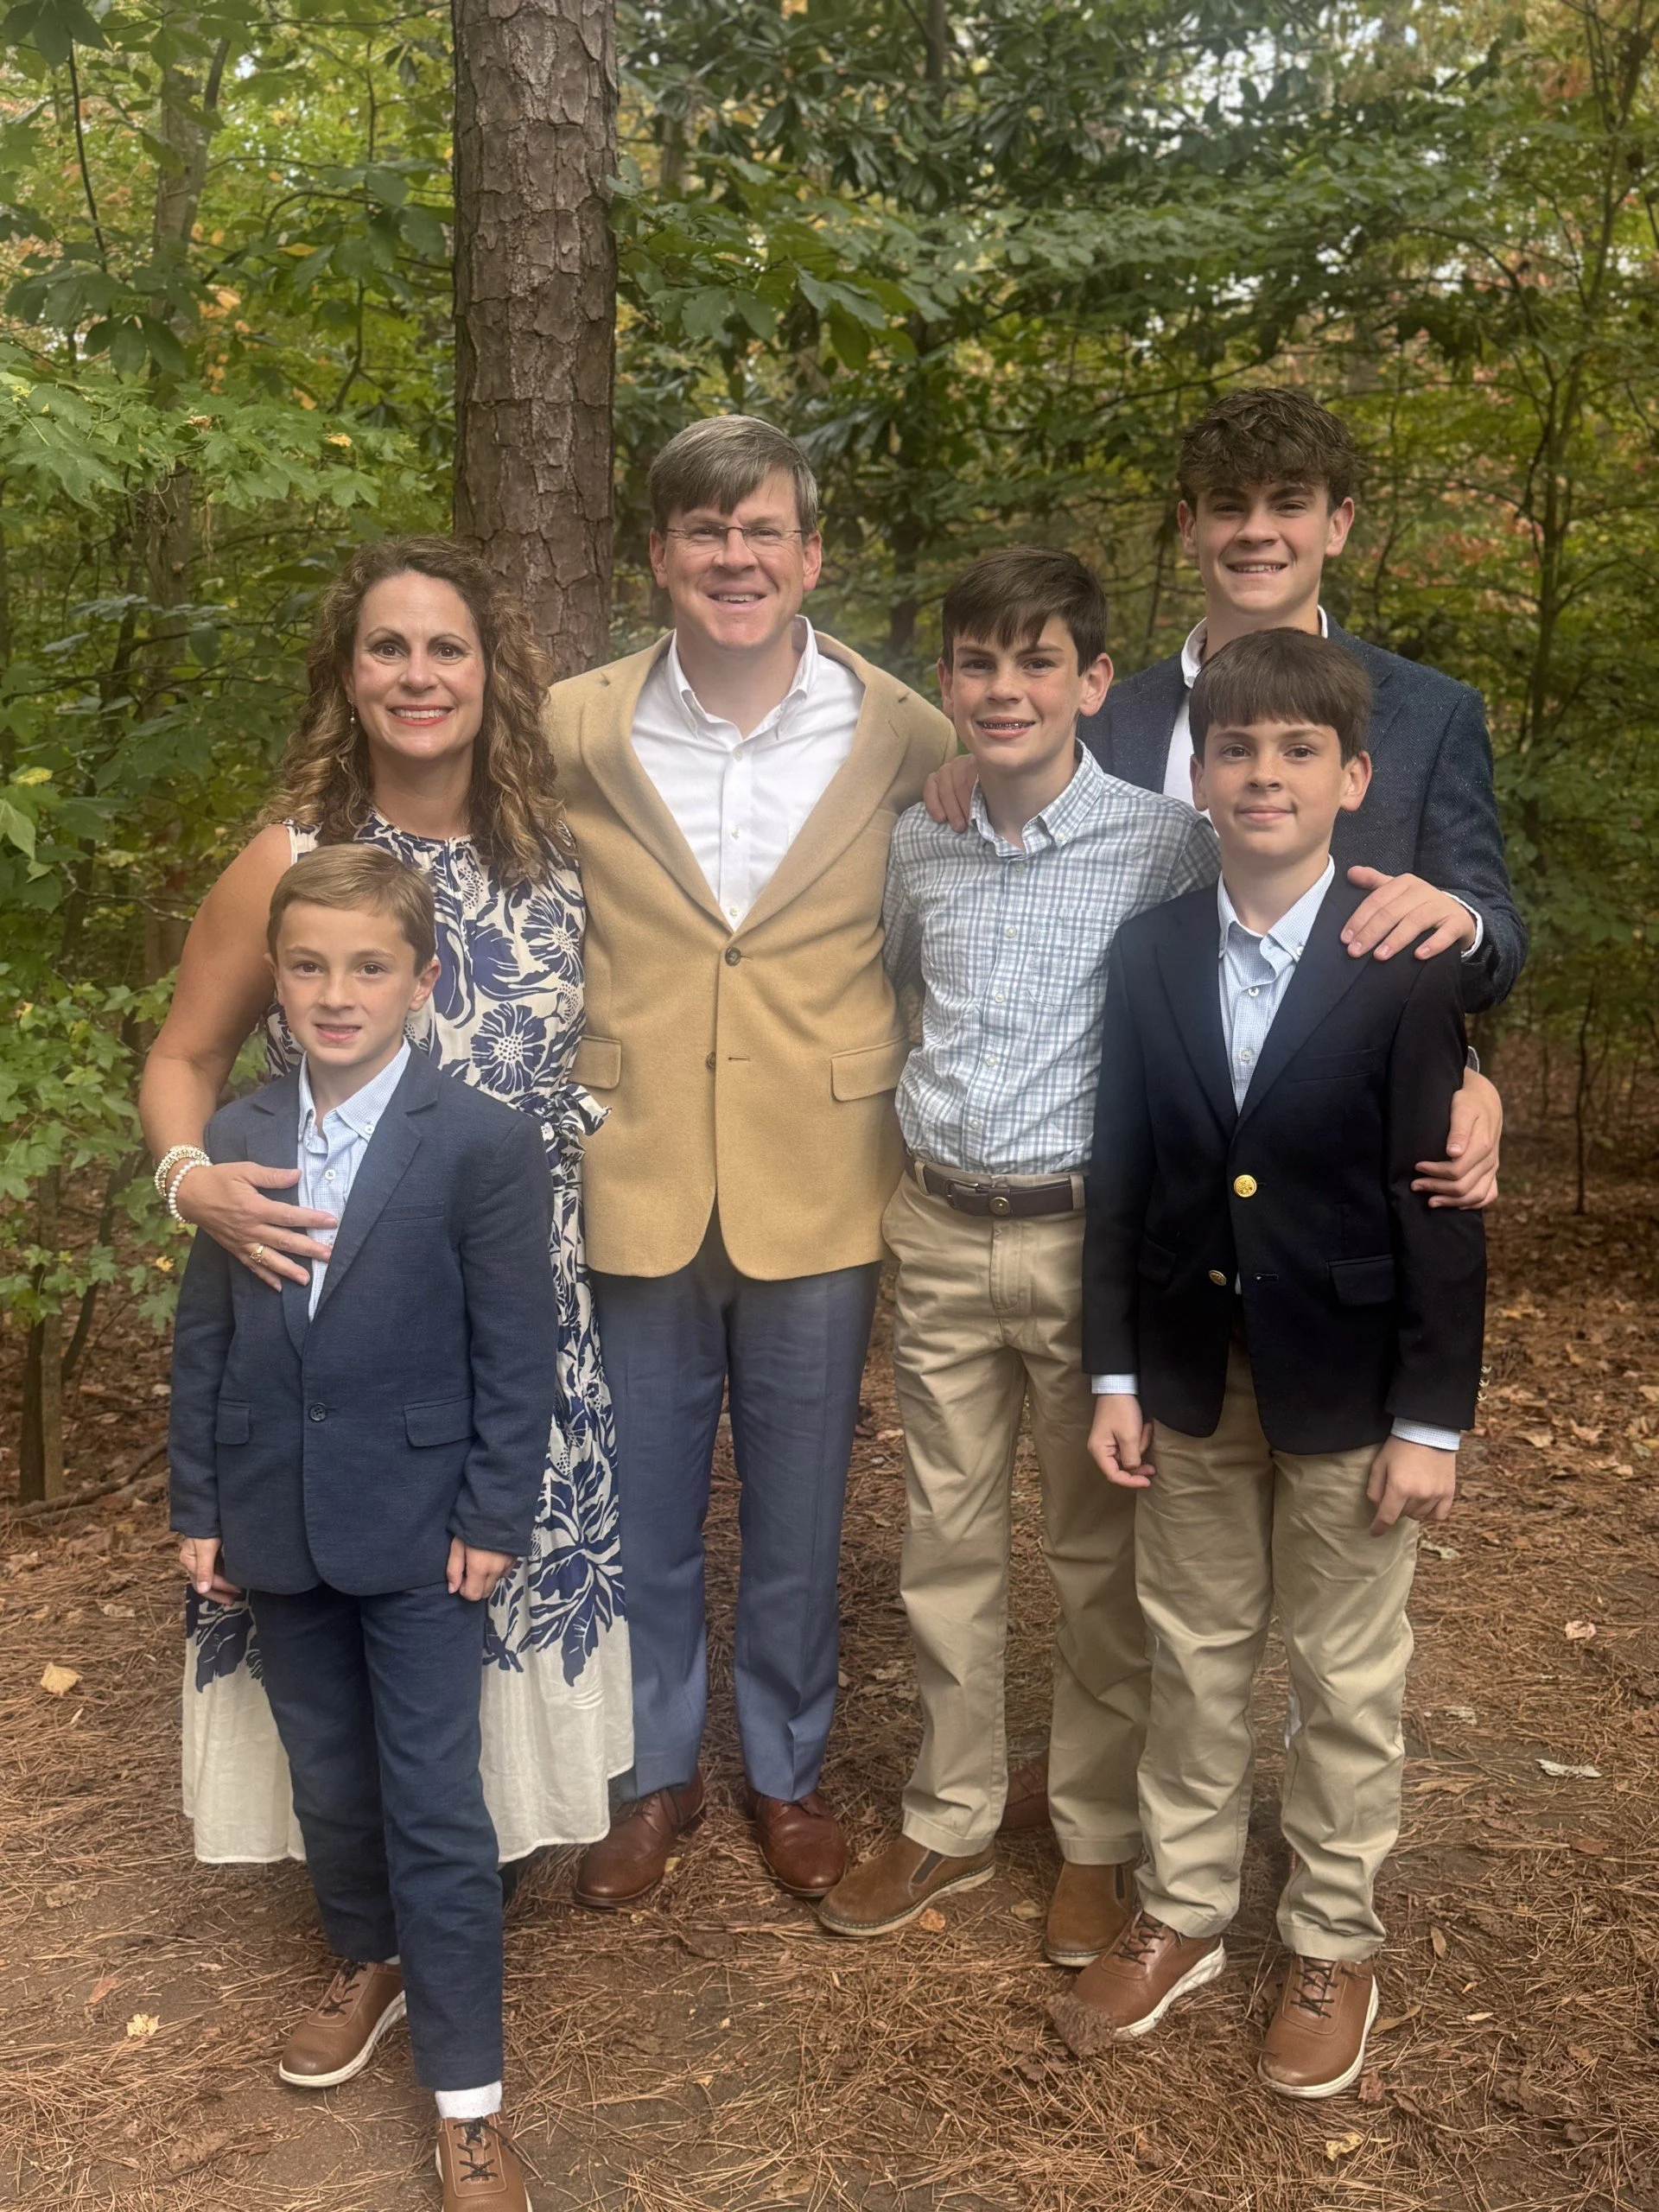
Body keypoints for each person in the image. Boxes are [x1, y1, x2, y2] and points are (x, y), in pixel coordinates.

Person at [924, 385, 1514, 1838]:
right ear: (1187, 527)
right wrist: (971, 765)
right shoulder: (1100, 707)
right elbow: (1027, 827)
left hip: (1336, 1207)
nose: (1259, 534)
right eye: (1231, 509)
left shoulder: (1425, 715)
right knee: (1144, 1560)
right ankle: (1123, 1811)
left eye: (1290, 507)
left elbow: (1490, 922)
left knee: (1290, 1614)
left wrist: (1472, 1027)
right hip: (1142, 1190)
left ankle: (1237, 1855)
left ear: (1337, 526)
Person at [141, 537, 630, 1866]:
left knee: (481, 1580)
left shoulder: (558, 855)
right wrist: (194, 1185)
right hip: (331, 1317)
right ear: (346, 674)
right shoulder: (293, 859)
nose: (419, 675)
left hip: (515, 1305)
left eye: (446, 648)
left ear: (492, 671)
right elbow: (184, 1058)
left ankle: (476, 1874)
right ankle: (365, 1911)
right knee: (337, 1621)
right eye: (388, 648)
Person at [1050, 628, 1485, 2098]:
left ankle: (1333, 1934)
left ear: (1353, 778)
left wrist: (1431, 1415)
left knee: (1347, 1672)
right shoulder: (1154, 949)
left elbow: (1442, 1206)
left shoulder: (1402, 963)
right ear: (1199, 774)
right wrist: (1114, 1372)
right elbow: (1124, 1171)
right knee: (1193, 1650)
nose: (1265, 774)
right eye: (1236, 750)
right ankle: (1181, 1910)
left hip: (1354, 1384)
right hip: (1187, 1372)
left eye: (1299, 752)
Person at [545, 416, 956, 1909]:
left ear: (811, 555)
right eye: (705, 533)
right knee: (642, 1513)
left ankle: (786, 1772)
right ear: (659, 555)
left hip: (823, 1171)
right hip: (633, 1159)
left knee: (797, 1516)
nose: (735, 558)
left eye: (763, 531)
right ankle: (655, 1776)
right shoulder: (573, 724)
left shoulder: (906, 732)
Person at [817, 550, 1217, 1966]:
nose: (1006, 690)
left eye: (1038, 663)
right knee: (945, 1543)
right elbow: (896, 990)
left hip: (1086, 1245)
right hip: (934, 1227)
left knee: (1098, 1558)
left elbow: (1269, 964)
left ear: (1093, 684)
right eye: (979, 664)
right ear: (951, 683)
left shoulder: (1167, 847)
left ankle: (1100, 1839)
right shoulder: (915, 842)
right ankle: (951, 1812)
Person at [170, 846, 554, 2207]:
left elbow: (520, 1345)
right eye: (312, 966)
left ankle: (468, 2099)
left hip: (424, 1529)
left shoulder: (483, 1140)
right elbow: (206, 1338)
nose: (338, 994)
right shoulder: (240, 1141)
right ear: (277, 981)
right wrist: (200, 1504)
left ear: (422, 982)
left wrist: (497, 1507)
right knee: (328, 1777)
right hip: (275, 1516)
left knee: (434, 1800)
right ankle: (369, 1955)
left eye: (370, 968)